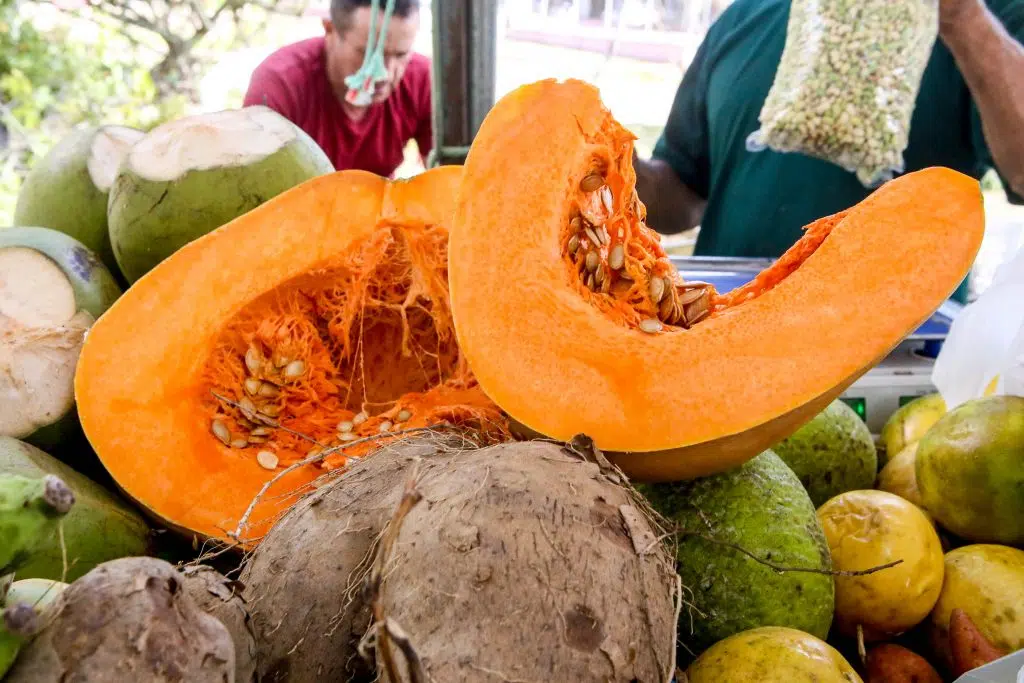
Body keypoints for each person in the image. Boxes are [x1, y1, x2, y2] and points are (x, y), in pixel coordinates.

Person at [634, 0, 1024, 303]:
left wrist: (962, 17)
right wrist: (616, 164)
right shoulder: (746, 15)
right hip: (723, 327)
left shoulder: (988, 15)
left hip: (891, 352)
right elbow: (679, 200)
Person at [243, 0, 432, 178]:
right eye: (368, 54)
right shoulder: (280, 84)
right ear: (329, 29)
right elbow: (256, 187)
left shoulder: (423, 80)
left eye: (400, 55)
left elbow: (446, 178)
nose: (385, 74)